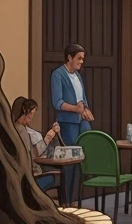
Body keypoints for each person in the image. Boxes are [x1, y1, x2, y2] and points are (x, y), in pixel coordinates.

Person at [50, 43, 94, 200]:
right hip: (68, 123)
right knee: (70, 161)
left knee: (84, 158)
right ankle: (67, 199)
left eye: (82, 59)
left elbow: (82, 98)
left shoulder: (78, 75)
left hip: (81, 122)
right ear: (69, 57)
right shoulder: (58, 75)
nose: (81, 61)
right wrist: (76, 109)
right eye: (79, 58)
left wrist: (86, 110)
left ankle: (77, 197)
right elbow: (58, 102)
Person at [11, 97, 60, 193]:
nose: (31, 118)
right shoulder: (21, 131)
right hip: (30, 178)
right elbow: (31, 157)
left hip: (20, 177)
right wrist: (47, 139)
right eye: (30, 115)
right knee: (56, 177)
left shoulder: (14, 129)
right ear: (24, 113)